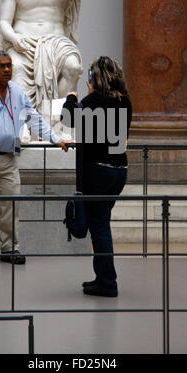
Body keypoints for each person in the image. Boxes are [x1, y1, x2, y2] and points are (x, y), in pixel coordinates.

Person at [0, 0, 157, 123]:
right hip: (24, 44)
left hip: (57, 42)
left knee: (73, 67)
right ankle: (24, 125)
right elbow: (4, 23)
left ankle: (58, 121)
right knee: (15, 69)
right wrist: (16, 39)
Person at [0, 50, 68, 266]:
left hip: (9, 158)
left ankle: (9, 248)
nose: (7, 69)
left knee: (12, 203)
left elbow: (33, 118)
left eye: (9, 65)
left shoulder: (17, 92)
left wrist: (55, 139)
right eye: (2, 66)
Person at [61, 56, 132, 297]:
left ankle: (108, 283)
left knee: (100, 227)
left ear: (95, 78)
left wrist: (71, 97)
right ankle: (101, 276)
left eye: (90, 77)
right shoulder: (125, 102)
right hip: (118, 171)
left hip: (98, 172)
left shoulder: (93, 101)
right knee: (100, 223)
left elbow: (67, 118)